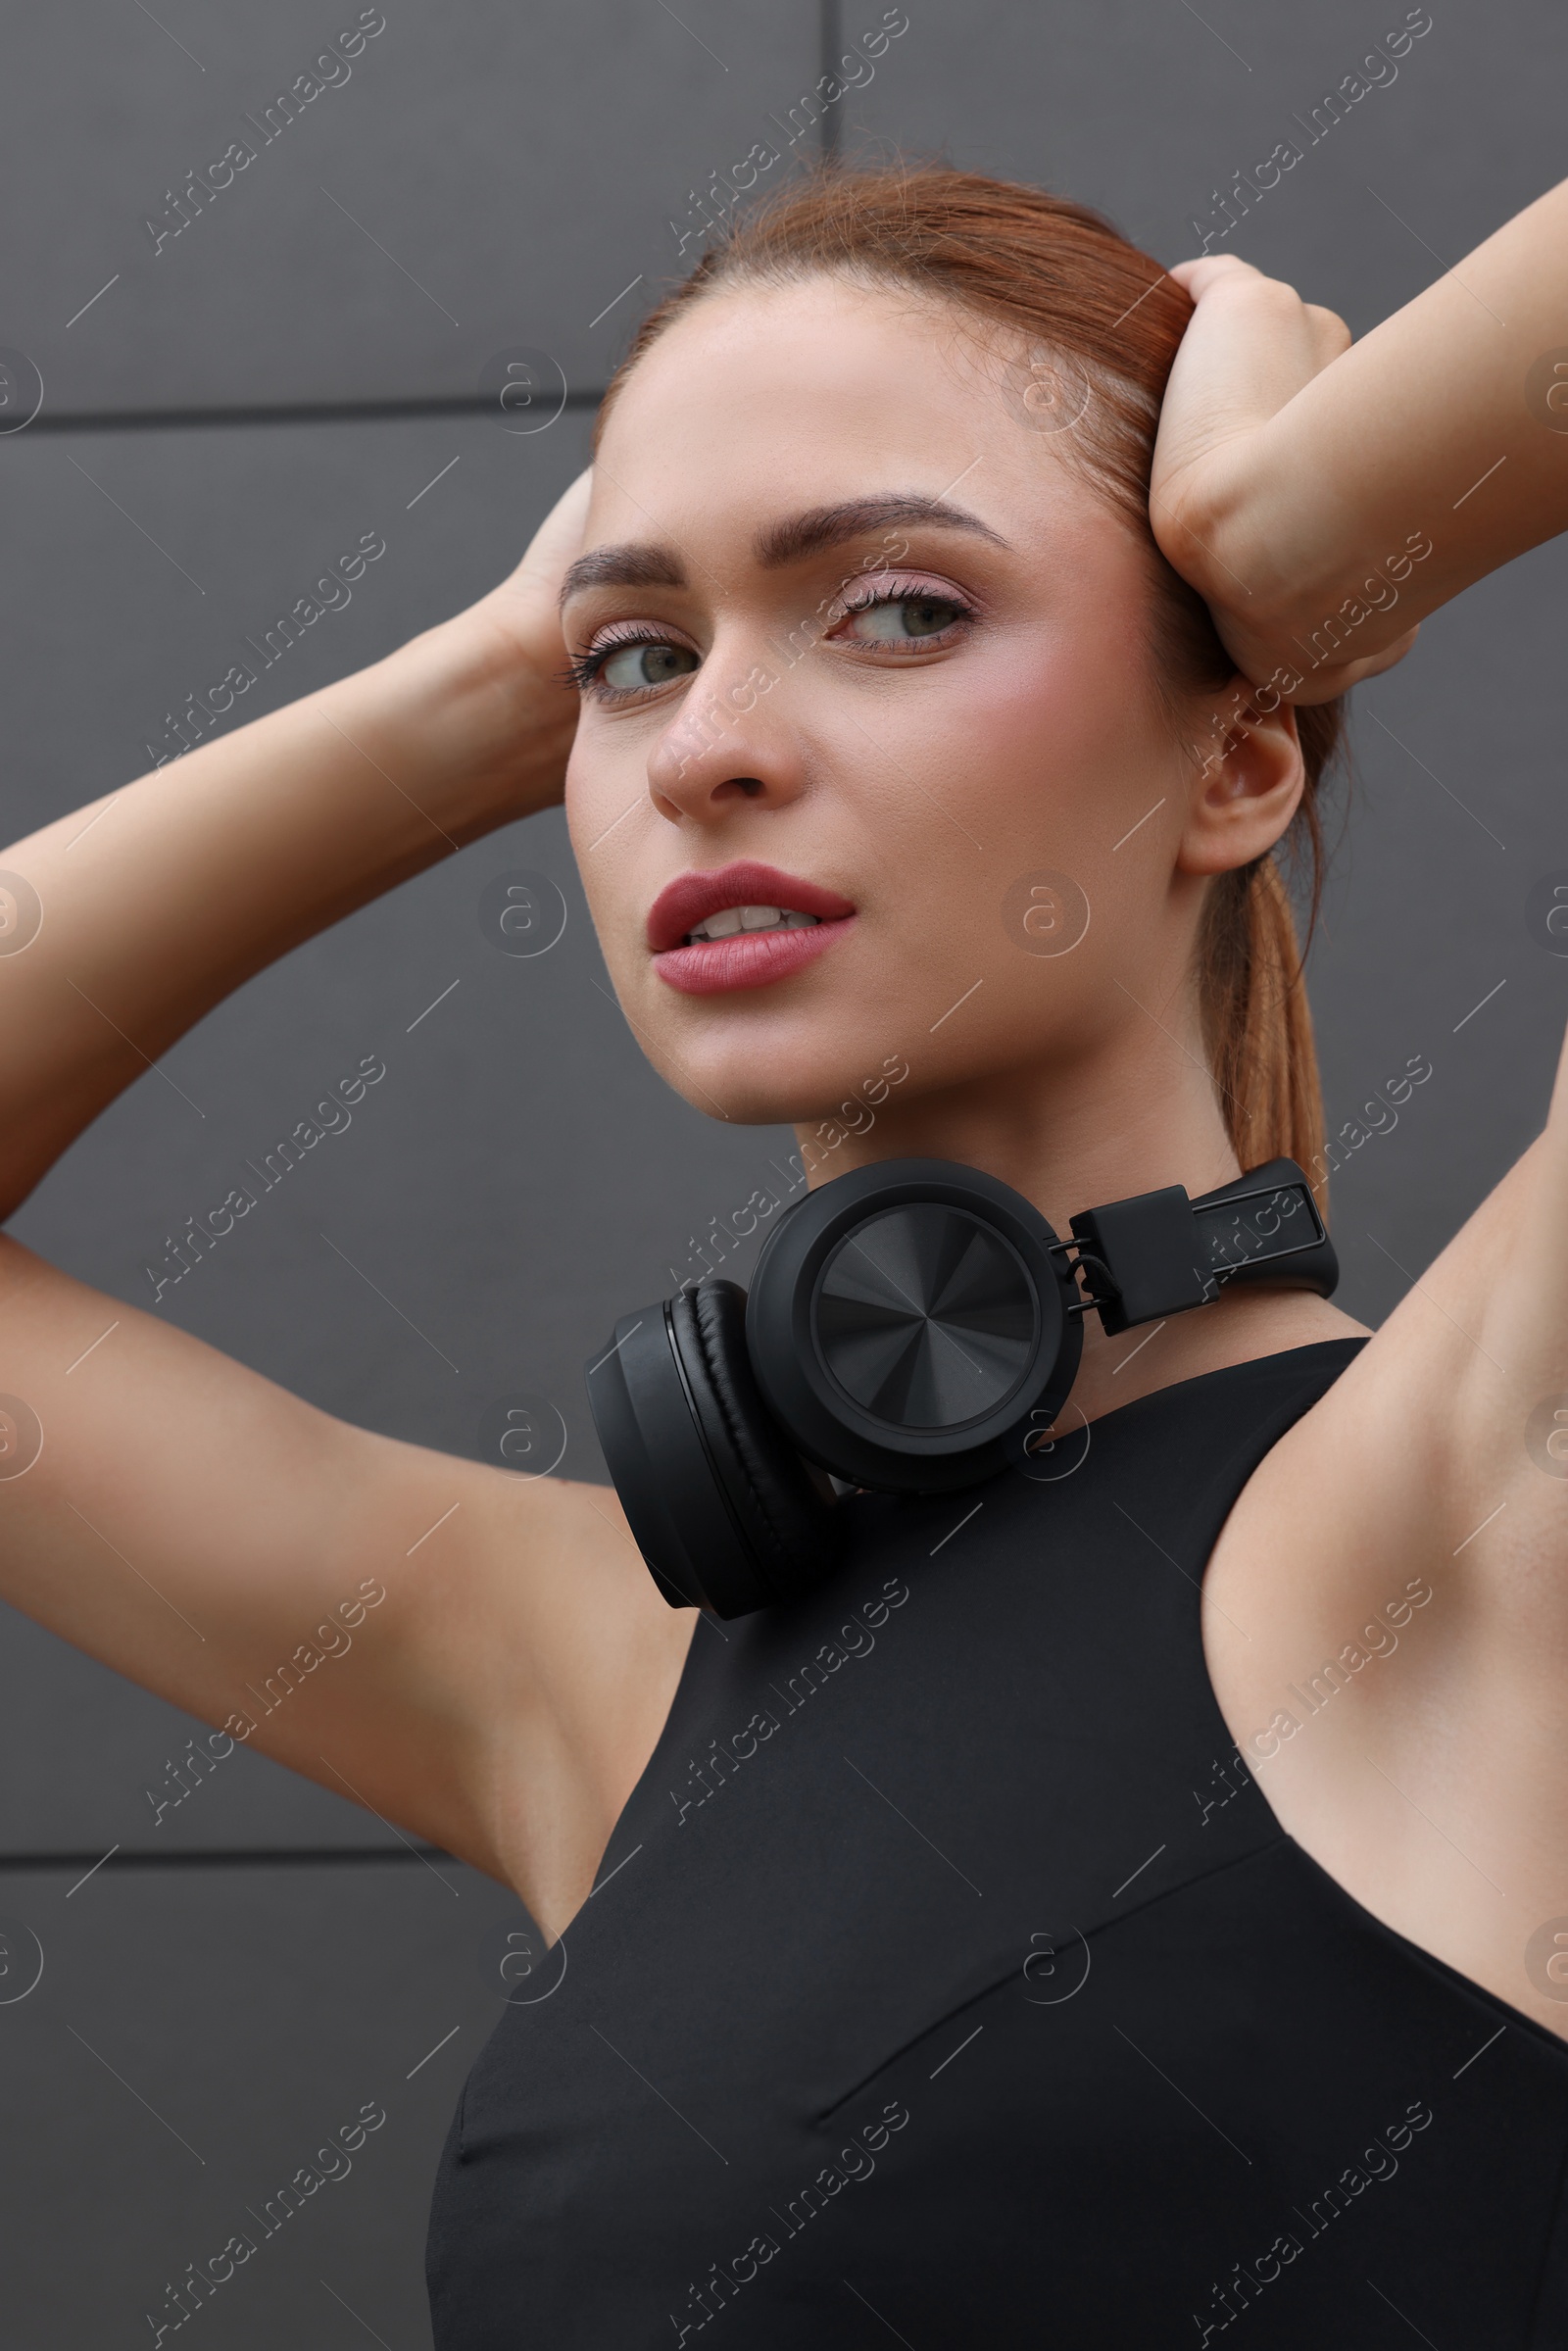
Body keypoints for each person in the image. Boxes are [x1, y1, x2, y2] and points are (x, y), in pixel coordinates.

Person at [2, 164, 1566, 2343]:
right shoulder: (583, 1676)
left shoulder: (1485, 1511)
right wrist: (472, 693)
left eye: (899, 608)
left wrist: (1301, 523)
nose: (707, 749)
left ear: (1234, 760)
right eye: (636, 659)